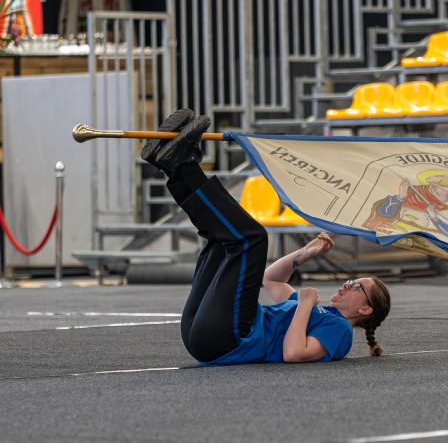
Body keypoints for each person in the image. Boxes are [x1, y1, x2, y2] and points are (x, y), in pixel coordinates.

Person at [141, 109, 391, 364]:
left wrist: (305, 304)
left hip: (227, 339)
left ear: (365, 309)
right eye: (351, 280)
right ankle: (174, 168)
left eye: (356, 286)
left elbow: (294, 353)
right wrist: (306, 254)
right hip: (207, 331)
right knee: (220, 239)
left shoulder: (340, 330)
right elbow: (271, 279)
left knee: (252, 238)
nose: (347, 284)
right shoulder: (320, 310)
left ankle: (185, 166)